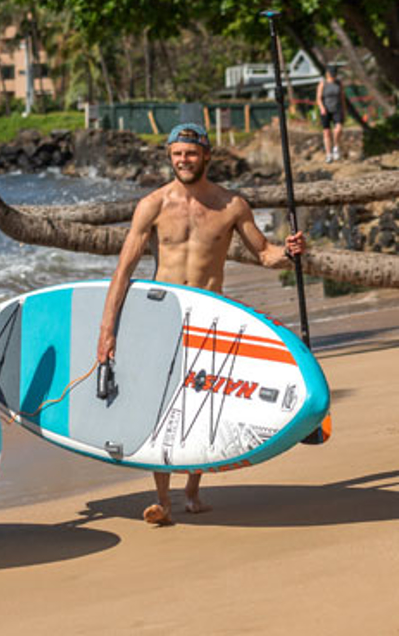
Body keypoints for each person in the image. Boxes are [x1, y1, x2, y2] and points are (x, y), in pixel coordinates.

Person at [96, 122, 306, 527]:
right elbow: (124, 270)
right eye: (176, 154)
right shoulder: (152, 205)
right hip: (163, 317)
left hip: (211, 318)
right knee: (160, 408)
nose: (183, 160)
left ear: (206, 155)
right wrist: (108, 332)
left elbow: (264, 254)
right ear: (169, 157)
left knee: (204, 405)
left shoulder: (231, 206)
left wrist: (290, 251)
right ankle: (163, 500)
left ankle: (192, 492)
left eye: (190, 153)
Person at [316, 66, 344, 163]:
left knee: (338, 129)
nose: (333, 76)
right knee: (327, 132)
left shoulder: (339, 83)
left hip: (337, 109)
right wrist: (322, 108)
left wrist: (344, 110)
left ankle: (336, 147)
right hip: (326, 110)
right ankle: (328, 154)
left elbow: (342, 97)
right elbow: (318, 98)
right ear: (327, 73)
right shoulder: (323, 83)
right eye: (331, 73)